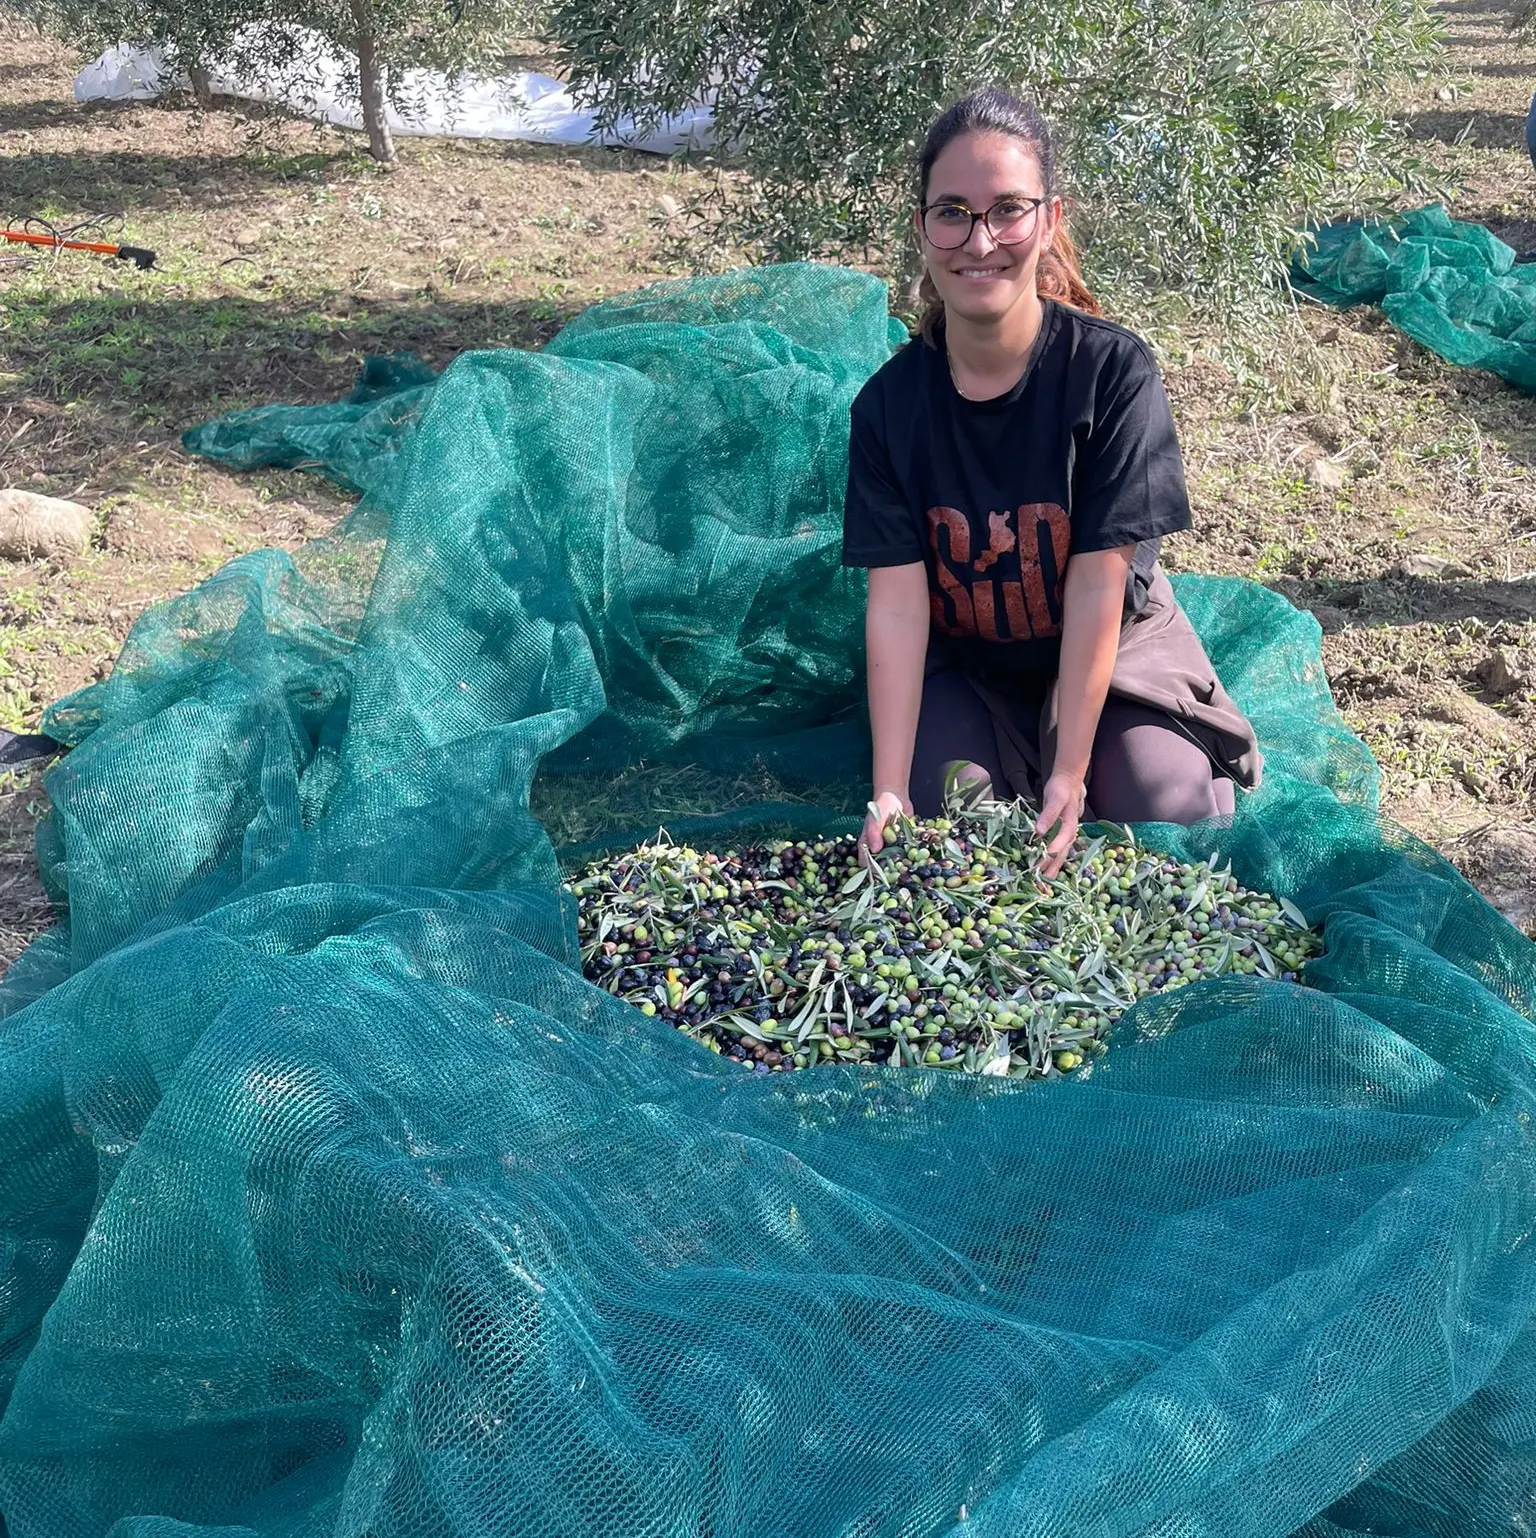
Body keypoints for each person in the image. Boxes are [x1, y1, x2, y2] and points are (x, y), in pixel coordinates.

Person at [843, 88, 1261, 877]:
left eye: (1008, 210)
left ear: (1051, 219)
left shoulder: (1110, 374)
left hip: (1118, 651)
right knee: (954, 824)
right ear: (922, 230)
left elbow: (1100, 589)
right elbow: (897, 606)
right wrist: (889, 788)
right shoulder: (888, 410)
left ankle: (1110, 761)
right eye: (952, 212)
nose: (981, 240)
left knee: (1163, 808)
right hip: (971, 665)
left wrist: (1070, 769)